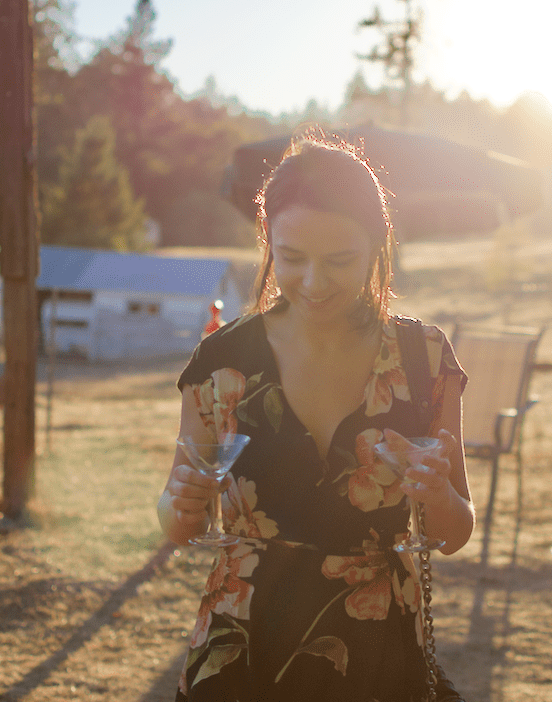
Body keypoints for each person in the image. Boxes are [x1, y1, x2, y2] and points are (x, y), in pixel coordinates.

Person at [159, 133, 474, 701]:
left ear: (378, 244)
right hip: (244, 647)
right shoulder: (221, 361)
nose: (313, 282)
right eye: (292, 258)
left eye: (339, 261)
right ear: (266, 240)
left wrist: (437, 498)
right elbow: (180, 524)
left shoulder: (424, 359)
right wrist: (176, 501)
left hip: (376, 652)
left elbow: (455, 532)